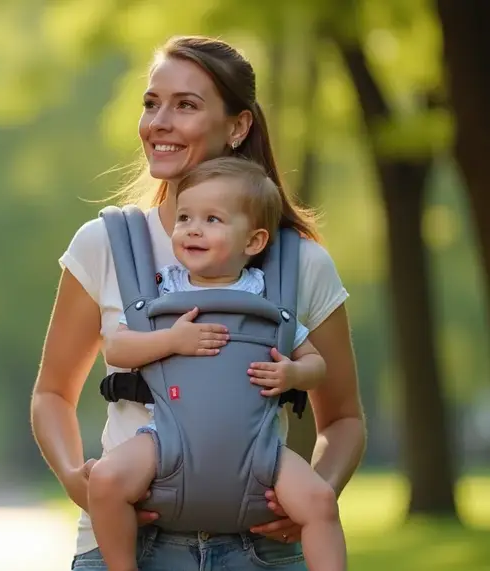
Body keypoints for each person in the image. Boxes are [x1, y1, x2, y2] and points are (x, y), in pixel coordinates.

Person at [30, 35, 365, 570]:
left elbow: (344, 418)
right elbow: (51, 392)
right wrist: (78, 481)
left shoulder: (296, 260)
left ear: (238, 126)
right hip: (130, 548)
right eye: (151, 103)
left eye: (185, 105)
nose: (158, 121)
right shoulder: (105, 245)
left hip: (259, 551)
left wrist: (310, 500)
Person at [88, 157, 347, 571]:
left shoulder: (271, 300)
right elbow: (116, 350)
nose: (192, 228)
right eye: (185, 216)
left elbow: (317, 365)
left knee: (319, 502)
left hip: (259, 449)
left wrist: (293, 373)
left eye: (212, 219)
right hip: (167, 439)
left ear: (254, 241)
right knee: (104, 481)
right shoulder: (160, 291)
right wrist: (171, 340)